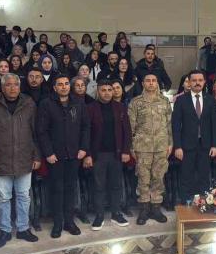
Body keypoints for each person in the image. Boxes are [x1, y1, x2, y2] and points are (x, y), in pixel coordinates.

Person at [0, 73, 41, 248]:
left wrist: (37, 156)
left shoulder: (29, 104)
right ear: (2, 87)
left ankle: (23, 228)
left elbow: (36, 133)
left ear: (19, 86)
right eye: (8, 85)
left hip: (24, 158)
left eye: (15, 84)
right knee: (3, 198)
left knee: (24, 196)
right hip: (1, 160)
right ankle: (5, 230)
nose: (12, 88)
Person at [37, 75, 90, 238]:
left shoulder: (78, 102)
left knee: (70, 189)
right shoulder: (46, 104)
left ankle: (69, 221)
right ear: (54, 87)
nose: (64, 86)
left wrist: (83, 148)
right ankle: (58, 223)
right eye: (60, 84)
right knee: (57, 190)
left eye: (66, 83)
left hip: (74, 154)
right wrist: (48, 152)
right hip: (55, 156)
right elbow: (42, 131)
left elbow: (86, 127)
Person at [84, 80, 132, 230]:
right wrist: (87, 154)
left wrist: (126, 151)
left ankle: (116, 213)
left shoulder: (120, 107)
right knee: (99, 185)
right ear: (98, 92)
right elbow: (86, 132)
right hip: (98, 154)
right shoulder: (90, 108)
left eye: (109, 90)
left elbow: (127, 131)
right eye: (103, 90)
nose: (106, 93)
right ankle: (99, 215)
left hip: (116, 153)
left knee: (116, 184)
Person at [128, 73, 173, 225]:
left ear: (157, 83)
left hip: (161, 146)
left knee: (158, 177)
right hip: (142, 147)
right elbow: (131, 126)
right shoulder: (136, 102)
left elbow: (169, 124)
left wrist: (170, 143)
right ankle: (144, 209)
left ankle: (156, 208)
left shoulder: (164, 101)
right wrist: (131, 147)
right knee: (143, 178)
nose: (151, 83)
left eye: (154, 80)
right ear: (143, 83)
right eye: (148, 80)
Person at [172, 70, 216, 203]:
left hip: (205, 145)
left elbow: (215, 124)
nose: (197, 83)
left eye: (200, 80)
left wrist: (215, 145)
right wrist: (178, 146)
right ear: (189, 82)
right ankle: (185, 203)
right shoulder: (181, 100)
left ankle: (204, 203)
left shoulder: (210, 99)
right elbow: (176, 125)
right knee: (186, 176)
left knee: (204, 176)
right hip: (186, 145)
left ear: (204, 82)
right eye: (194, 80)